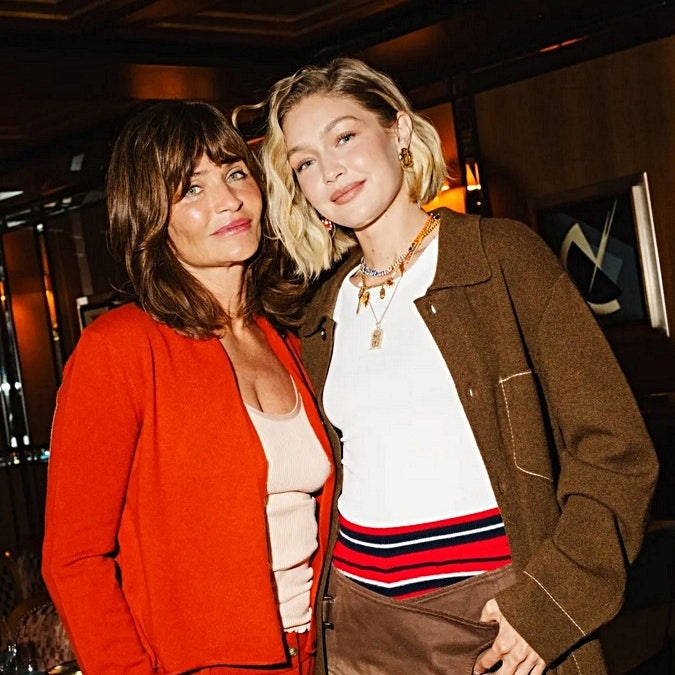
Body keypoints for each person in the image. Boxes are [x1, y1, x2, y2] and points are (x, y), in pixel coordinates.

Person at [259, 57, 659, 675]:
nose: (330, 169)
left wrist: (552, 603)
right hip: (360, 626)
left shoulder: (500, 259)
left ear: (397, 130)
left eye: (344, 136)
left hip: (493, 617)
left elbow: (616, 451)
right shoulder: (320, 313)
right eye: (305, 162)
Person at [42, 100, 335, 675]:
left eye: (235, 173)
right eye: (192, 189)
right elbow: (73, 559)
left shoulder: (290, 336)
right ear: (152, 217)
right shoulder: (119, 350)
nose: (228, 200)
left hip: (320, 651)